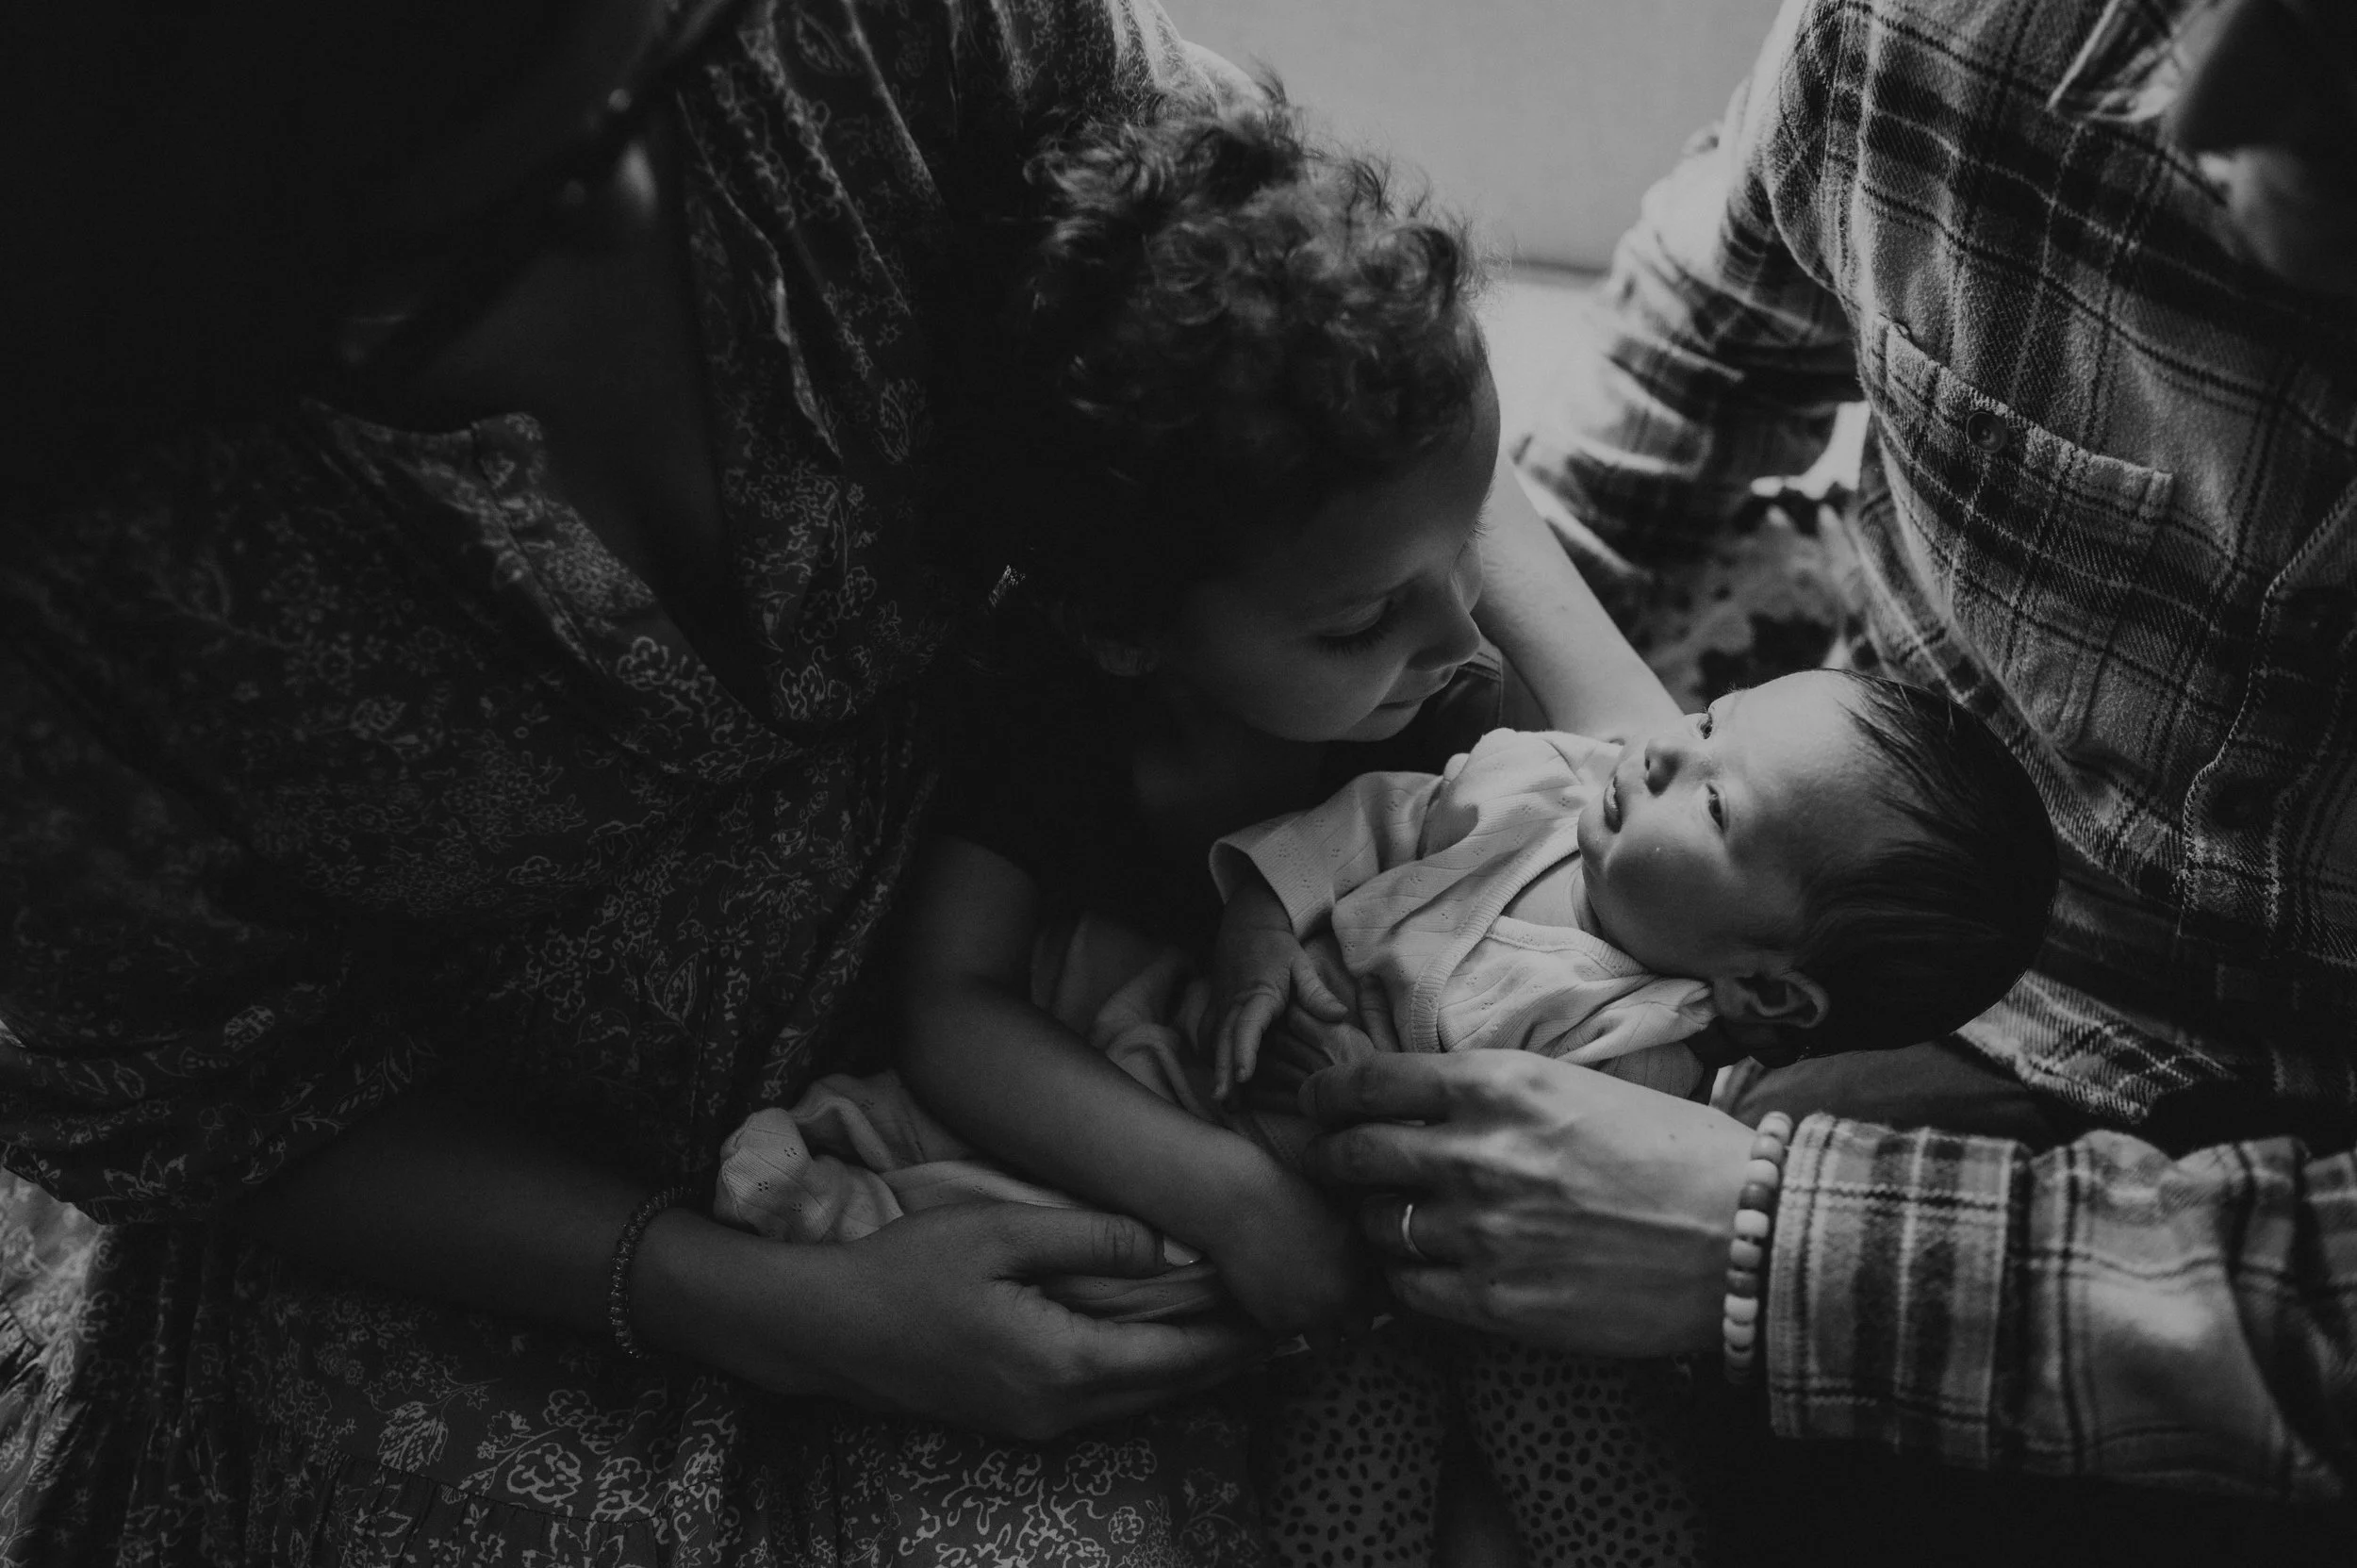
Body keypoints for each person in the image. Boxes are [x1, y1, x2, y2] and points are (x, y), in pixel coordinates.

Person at [0, 3, 1649, 1558]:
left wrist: (1669, 769)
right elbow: (208, 1108)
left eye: (677, 71)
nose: (645, 194)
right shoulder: (83, 588)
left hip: (1079, 1035)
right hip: (520, 1197)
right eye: (537, 205)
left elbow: (1331, 391)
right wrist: (768, 1308)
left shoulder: (870, 45)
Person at [1294, 0, 2357, 1557]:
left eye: (2337, 60)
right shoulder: (1934, 34)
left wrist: (1770, 1240)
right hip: (1877, 1015)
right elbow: (1665, 395)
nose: (2196, 114)